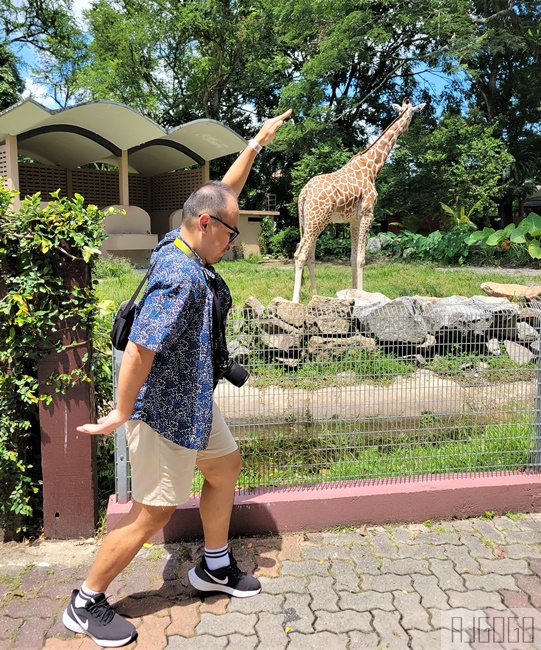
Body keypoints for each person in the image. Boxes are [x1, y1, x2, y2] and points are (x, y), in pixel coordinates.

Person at [62, 109, 292, 648]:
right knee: (153, 512)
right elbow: (140, 347)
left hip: (194, 402)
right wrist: (121, 412)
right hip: (163, 410)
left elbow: (218, 195)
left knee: (225, 465)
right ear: (207, 226)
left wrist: (254, 146)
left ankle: (213, 566)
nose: (233, 243)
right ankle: (85, 600)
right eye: (231, 234)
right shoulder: (180, 275)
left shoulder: (181, 236)